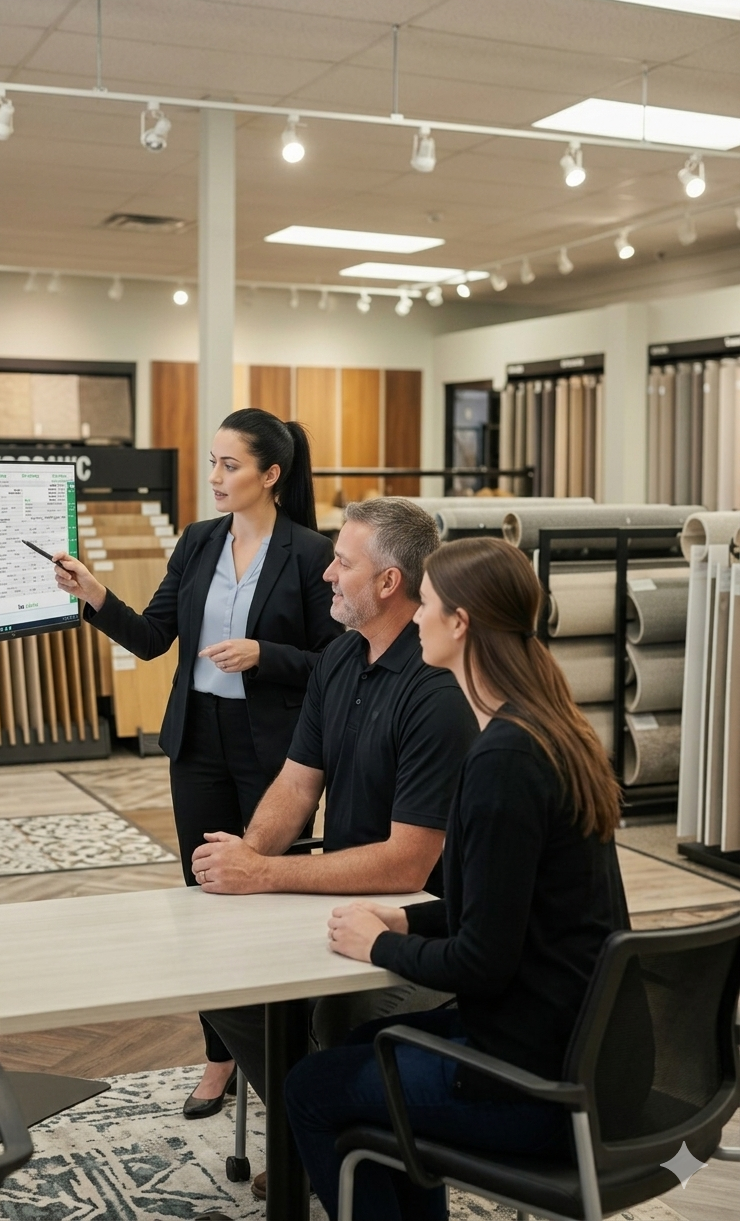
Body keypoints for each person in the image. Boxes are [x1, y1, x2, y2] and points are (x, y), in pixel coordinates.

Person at [284, 536, 630, 1221]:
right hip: (587, 1053)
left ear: (461, 622)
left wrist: (376, 947)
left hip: (536, 1087)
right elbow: (502, 905)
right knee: (356, 1047)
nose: (416, 618)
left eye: (430, 605)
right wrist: (405, 921)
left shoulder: (503, 758)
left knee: (311, 1090)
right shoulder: (551, 730)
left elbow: (482, 960)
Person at [52, 407, 343, 1119]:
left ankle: (286, 1060)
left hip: (278, 750)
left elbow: (337, 661)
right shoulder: (197, 542)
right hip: (198, 743)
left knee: (270, 898)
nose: (214, 477)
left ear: (271, 476)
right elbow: (154, 638)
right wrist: (95, 596)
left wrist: (264, 656)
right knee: (205, 896)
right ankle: (220, 1054)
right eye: (212, 463)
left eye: (230, 465)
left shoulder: (310, 553)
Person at [193, 498, 478, 1202]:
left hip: (417, 926)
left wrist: (264, 873)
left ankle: (332, 1132)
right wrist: (244, 861)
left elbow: (408, 865)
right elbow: (295, 786)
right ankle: (310, 1130)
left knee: (342, 1021)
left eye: (342, 562)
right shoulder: (340, 660)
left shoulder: (435, 687)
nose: (325, 574)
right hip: (338, 902)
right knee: (226, 991)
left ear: (387, 583)